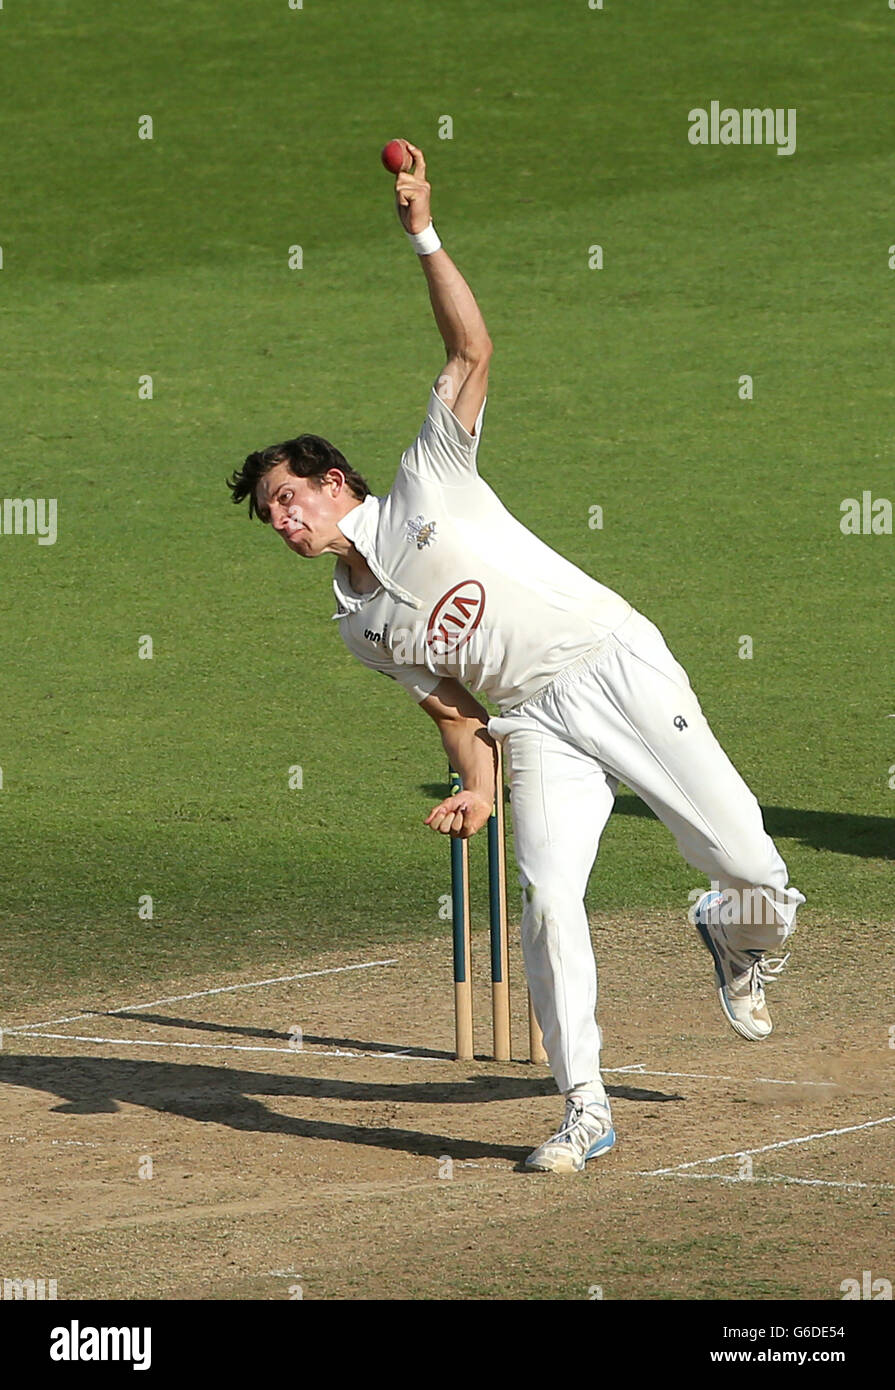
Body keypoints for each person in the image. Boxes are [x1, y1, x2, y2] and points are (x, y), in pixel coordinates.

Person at [227, 142, 805, 1174]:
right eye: (269, 513)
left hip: (611, 663)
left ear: (331, 479)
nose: (280, 521)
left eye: (285, 499)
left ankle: (735, 936)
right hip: (534, 722)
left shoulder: (426, 477)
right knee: (547, 899)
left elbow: (473, 348)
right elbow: (447, 698)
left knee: (752, 864)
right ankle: (584, 1106)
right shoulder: (355, 622)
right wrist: (478, 783)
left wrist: (422, 235)